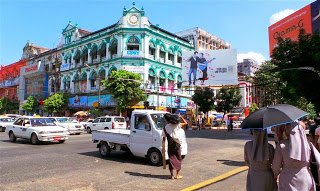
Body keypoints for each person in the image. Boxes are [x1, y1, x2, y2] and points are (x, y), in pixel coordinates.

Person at [272, 121, 316, 191]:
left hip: (287, 178)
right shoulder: (308, 144)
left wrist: (275, 175)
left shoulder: (281, 145)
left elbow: (276, 166)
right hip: (305, 177)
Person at [162, 113, 185, 179]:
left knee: (171, 160)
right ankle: (177, 175)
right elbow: (185, 122)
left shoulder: (165, 127)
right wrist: (180, 116)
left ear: (166, 120)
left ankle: (172, 175)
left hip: (170, 145)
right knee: (179, 158)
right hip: (177, 144)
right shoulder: (177, 124)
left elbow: (163, 138)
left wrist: (163, 148)